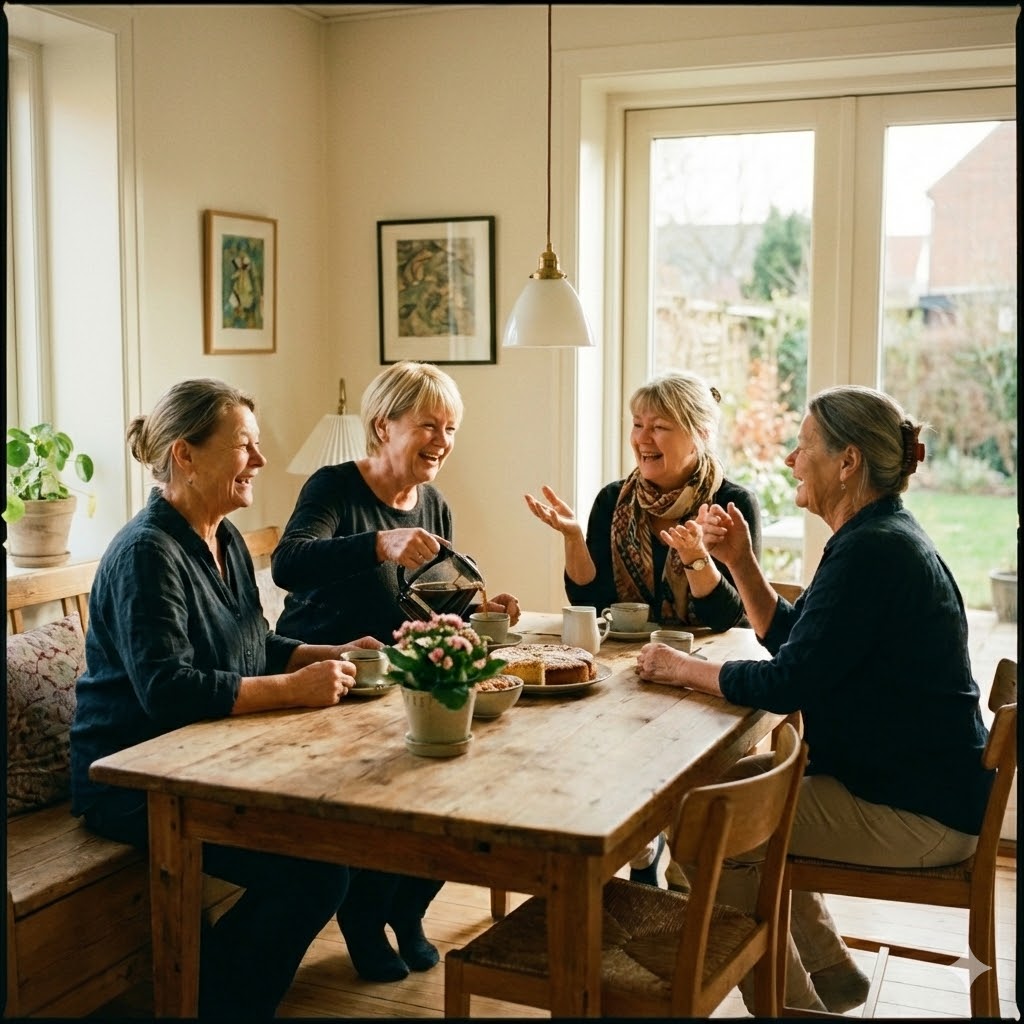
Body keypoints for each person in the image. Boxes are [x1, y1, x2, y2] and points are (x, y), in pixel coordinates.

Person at [635, 384, 994, 1014]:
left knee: (702, 827)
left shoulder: (872, 551)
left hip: (919, 816)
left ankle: (793, 1006)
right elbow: (803, 644)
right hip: (920, 790)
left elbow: (788, 683)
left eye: (803, 448)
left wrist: (680, 668)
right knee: (720, 802)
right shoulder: (879, 537)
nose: (790, 462)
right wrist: (742, 562)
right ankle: (829, 977)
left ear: (848, 462)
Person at [70, 378, 379, 1019]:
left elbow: (254, 644)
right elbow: (167, 691)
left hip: (205, 766)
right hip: (133, 781)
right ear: (185, 454)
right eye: (245, 446)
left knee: (330, 847)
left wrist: (333, 653)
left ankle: (217, 996)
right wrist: (295, 690)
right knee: (313, 874)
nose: (260, 462)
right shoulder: (146, 553)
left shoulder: (223, 537)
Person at [272, 359, 521, 983]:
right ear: (384, 425)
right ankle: (363, 916)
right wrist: (378, 543)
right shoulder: (333, 487)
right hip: (330, 682)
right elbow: (288, 563)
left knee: (456, 795)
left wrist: (482, 606)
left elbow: (435, 599)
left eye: (451, 428)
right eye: (429, 425)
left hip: (402, 684)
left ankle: (406, 910)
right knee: (395, 802)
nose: (443, 441)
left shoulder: (433, 504)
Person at [524, 368, 761, 886]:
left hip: (704, 673)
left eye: (660, 426)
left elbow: (734, 618)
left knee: (676, 755)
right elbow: (590, 598)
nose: (642, 438)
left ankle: (671, 852)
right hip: (628, 668)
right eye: (637, 424)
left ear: (700, 434)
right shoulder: (614, 501)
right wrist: (570, 538)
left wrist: (699, 560)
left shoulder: (731, 506)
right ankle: (634, 849)